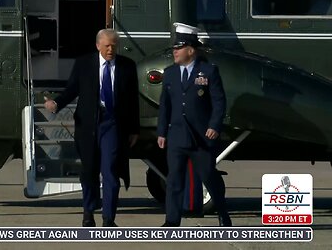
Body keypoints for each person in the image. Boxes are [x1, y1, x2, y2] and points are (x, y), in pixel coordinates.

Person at [44, 29, 140, 227]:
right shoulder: (84, 63)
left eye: (114, 45)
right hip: (88, 125)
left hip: (113, 124)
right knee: (89, 171)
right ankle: (88, 213)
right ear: (98, 46)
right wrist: (57, 103)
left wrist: (134, 129)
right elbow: (72, 89)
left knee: (110, 170)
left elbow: (133, 101)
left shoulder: (127, 66)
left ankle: (108, 217)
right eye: (107, 46)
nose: (111, 49)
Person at [157, 22, 231, 227]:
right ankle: (172, 220)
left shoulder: (208, 71)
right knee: (173, 180)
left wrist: (214, 125)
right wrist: (162, 131)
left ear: (190, 50)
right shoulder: (170, 73)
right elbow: (166, 105)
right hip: (177, 135)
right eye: (174, 48)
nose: (175, 52)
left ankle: (223, 214)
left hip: (201, 136)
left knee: (209, 176)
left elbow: (218, 101)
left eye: (178, 48)